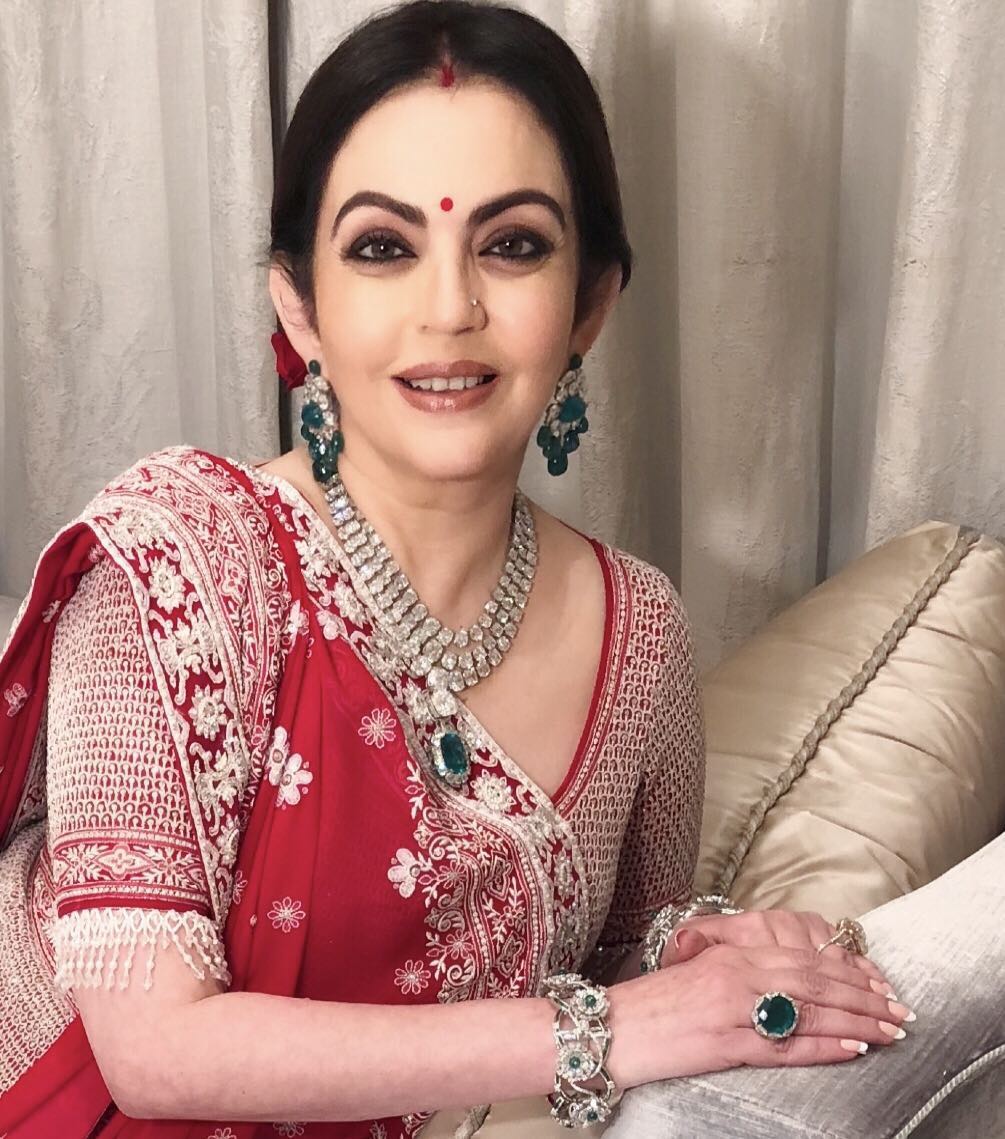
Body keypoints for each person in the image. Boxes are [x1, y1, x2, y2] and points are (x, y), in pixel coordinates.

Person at [0, 4, 912, 1138]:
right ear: (299, 304)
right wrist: (611, 1027)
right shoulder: (176, 561)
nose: (450, 309)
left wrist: (706, 953)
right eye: (383, 247)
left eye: (512, 244)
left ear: (590, 304)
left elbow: (623, 954)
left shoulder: (640, 634)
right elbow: (153, 1050)